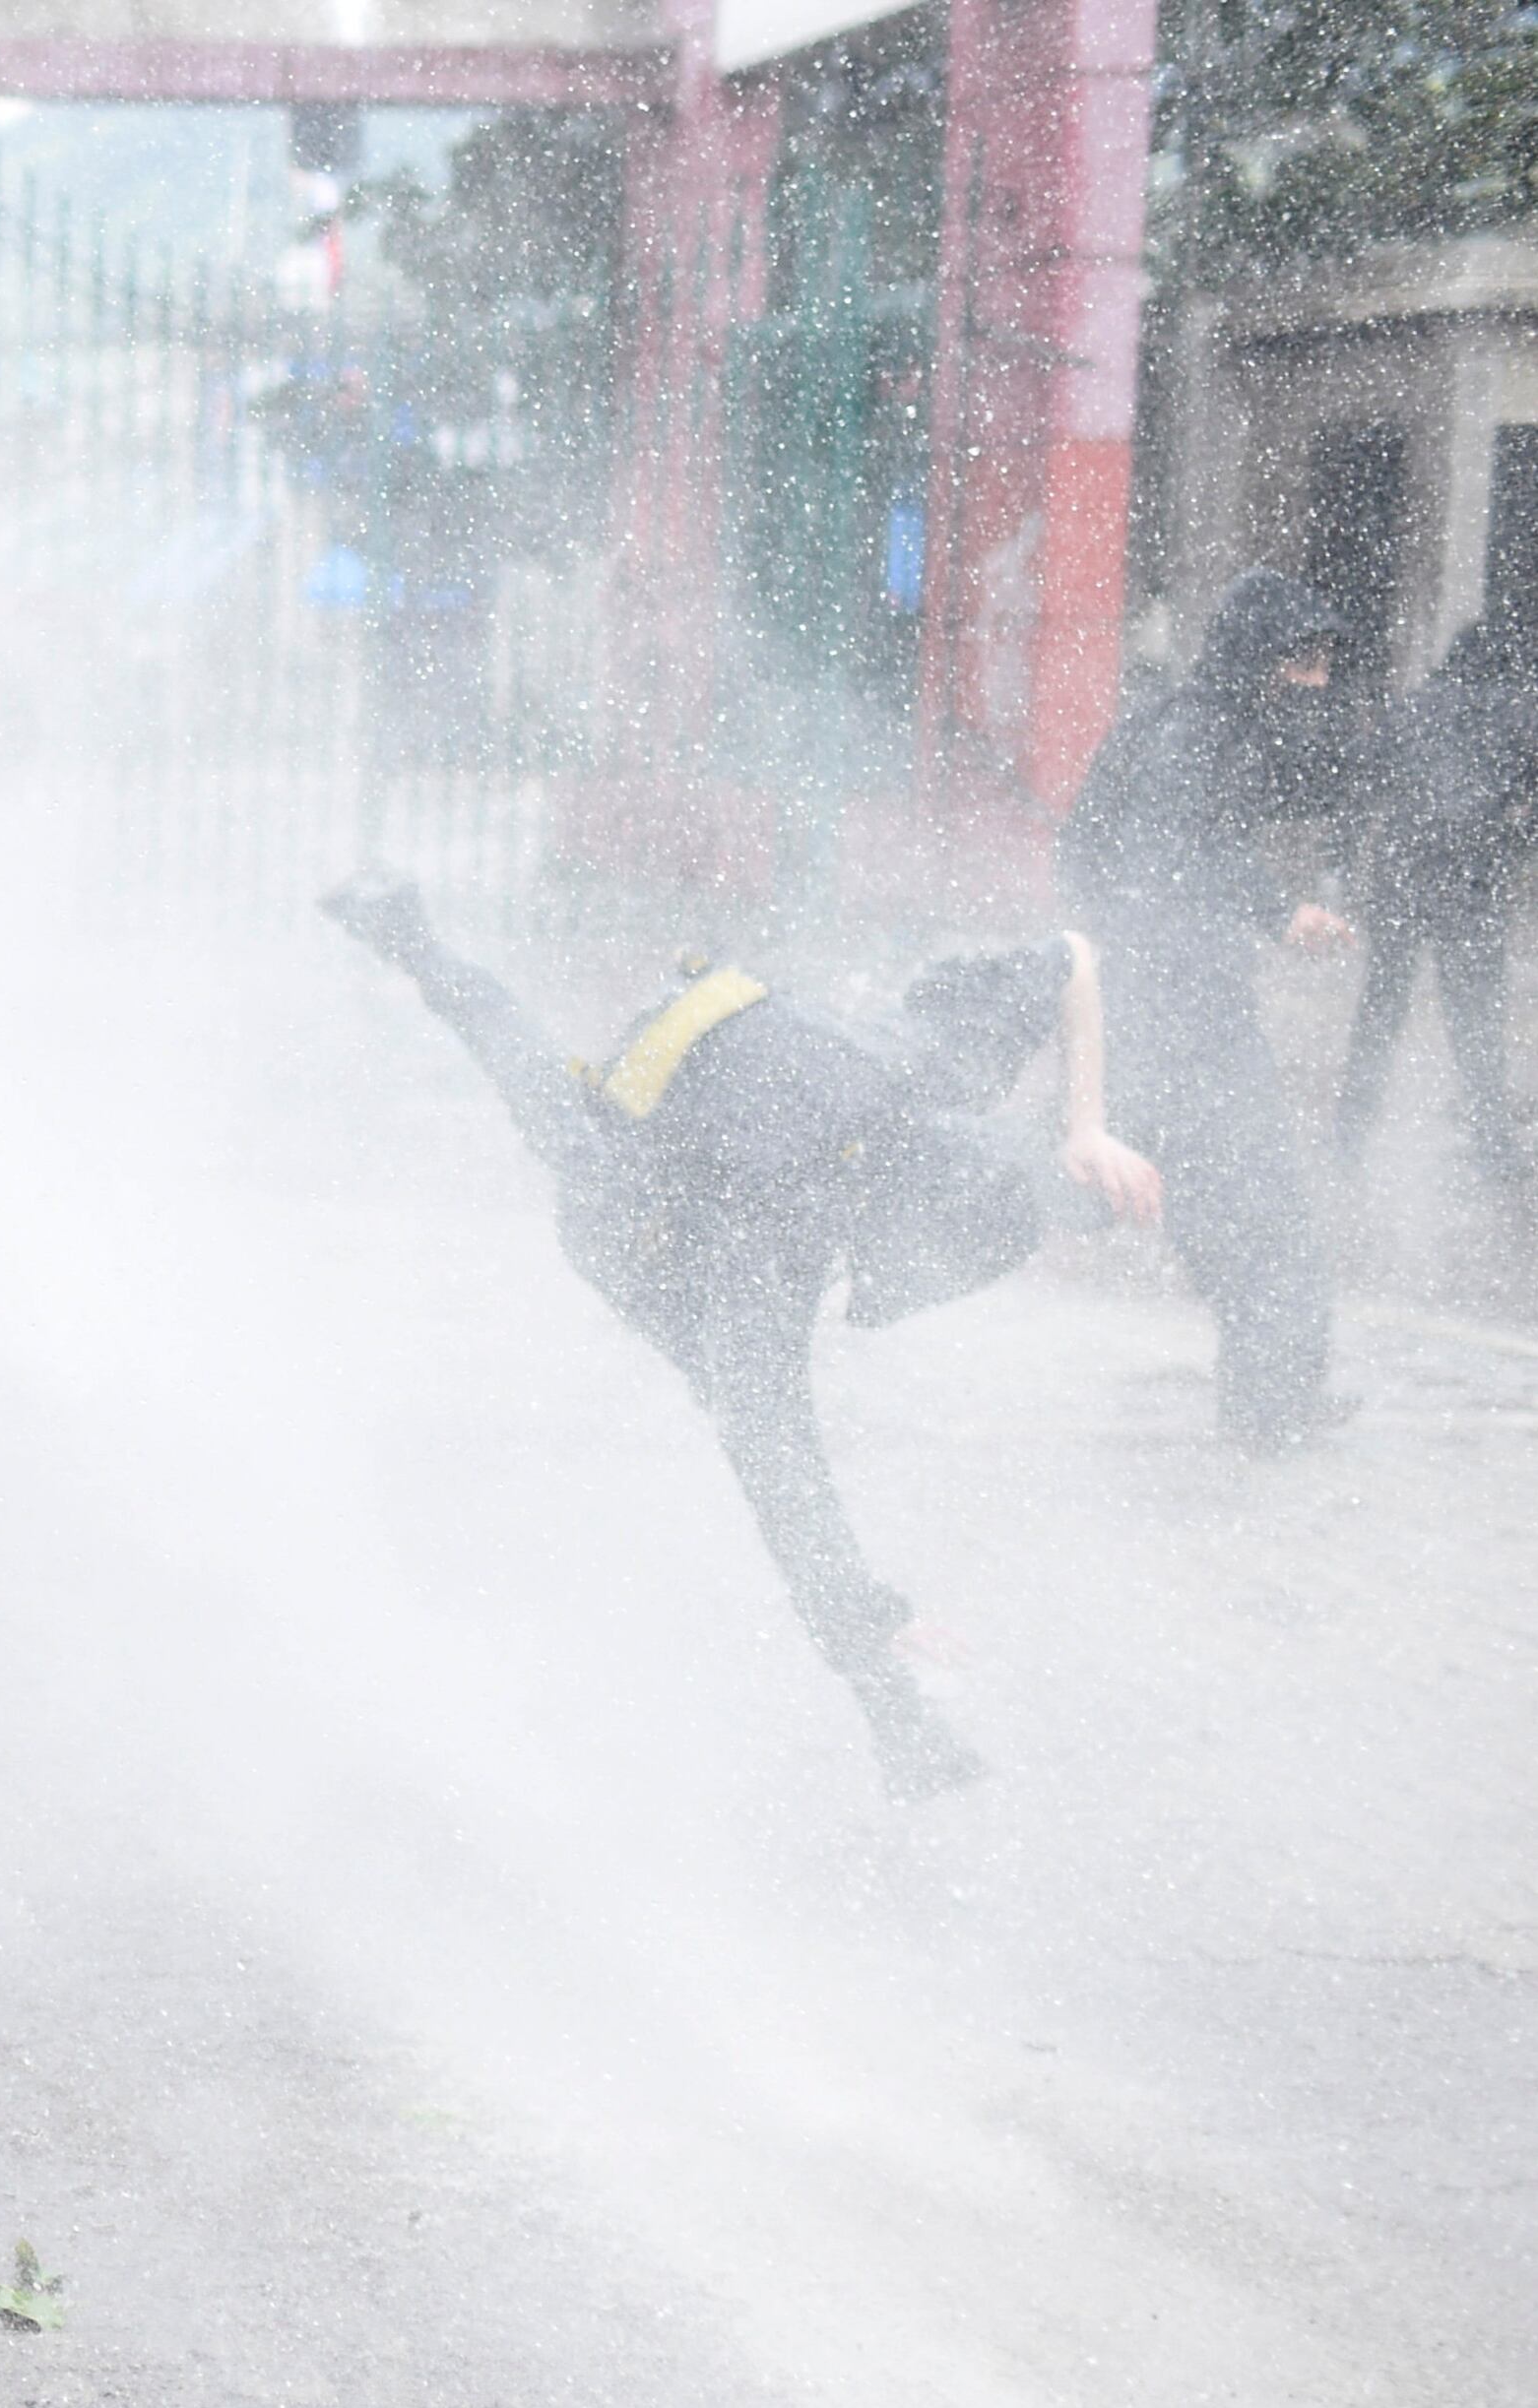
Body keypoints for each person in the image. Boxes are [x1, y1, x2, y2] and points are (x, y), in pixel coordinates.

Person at [322, 873, 1162, 1803]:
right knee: (742, 1394)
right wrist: (870, 1617)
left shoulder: (923, 1063)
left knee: (525, 1065)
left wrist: (1087, 1127)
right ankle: (895, 1713)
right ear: (893, 1227)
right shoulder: (756, 1242)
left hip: (741, 1064)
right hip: (642, 1219)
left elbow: (1075, 957)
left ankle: (897, 1717)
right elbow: (774, 1454)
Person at [1057, 566, 1360, 1450]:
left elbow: (1090, 847)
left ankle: (1273, 1397)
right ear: (1254, 659)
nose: (1316, 682)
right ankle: (1273, 1409)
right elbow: (1176, 849)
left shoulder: (1193, 722)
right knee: (1265, 1219)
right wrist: (1274, 911)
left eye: (1321, 663)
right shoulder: (1197, 734)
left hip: (1157, 1008)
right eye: (1300, 663)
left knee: (1224, 1216)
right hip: (1184, 1019)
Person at [1332, 600, 1538, 1185]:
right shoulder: (1520, 715)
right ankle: (1493, 1145)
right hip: (1474, 885)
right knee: (1475, 1017)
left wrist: (1351, 863)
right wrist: (1510, 839)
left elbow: (1361, 781)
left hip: (1402, 878)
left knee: (1381, 1010)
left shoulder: (1412, 710)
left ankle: (1351, 1133)